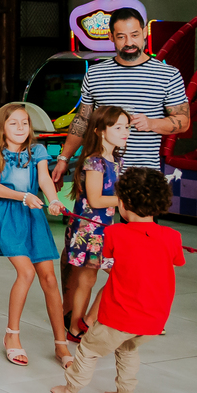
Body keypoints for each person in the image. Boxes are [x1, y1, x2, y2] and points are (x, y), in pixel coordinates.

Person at [51, 168, 185, 393]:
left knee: (89, 349)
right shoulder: (172, 236)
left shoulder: (114, 232)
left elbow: (108, 262)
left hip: (120, 315)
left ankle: (70, 389)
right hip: (154, 319)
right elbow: (175, 261)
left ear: (122, 204)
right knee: (127, 350)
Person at [0, 103, 71, 369]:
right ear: (2, 128)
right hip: (6, 215)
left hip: (33, 215)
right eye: (13, 123)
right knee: (26, 272)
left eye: (25, 122)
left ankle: (61, 344)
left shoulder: (37, 151)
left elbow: (44, 180)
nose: (20, 127)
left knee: (50, 279)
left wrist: (53, 200)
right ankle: (12, 335)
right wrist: (23, 196)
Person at [51, 7, 188, 184]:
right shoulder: (95, 74)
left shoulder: (168, 74)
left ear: (145, 32)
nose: (129, 42)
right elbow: (83, 120)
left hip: (143, 175)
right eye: (121, 37)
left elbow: (183, 121)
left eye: (135, 35)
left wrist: (151, 123)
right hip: (98, 173)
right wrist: (64, 159)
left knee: (137, 213)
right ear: (111, 37)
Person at [63, 106, 129, 341]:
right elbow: (95, 199)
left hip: (105, 229)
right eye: (118, 127)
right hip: (89, 230)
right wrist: (129, 199)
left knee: (92, 278)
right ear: (100, 131)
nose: (125, 132)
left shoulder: (114, 159)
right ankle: (80, 325)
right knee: (95, 277)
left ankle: (82, 323)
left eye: (127, 127)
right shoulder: (95, 161)